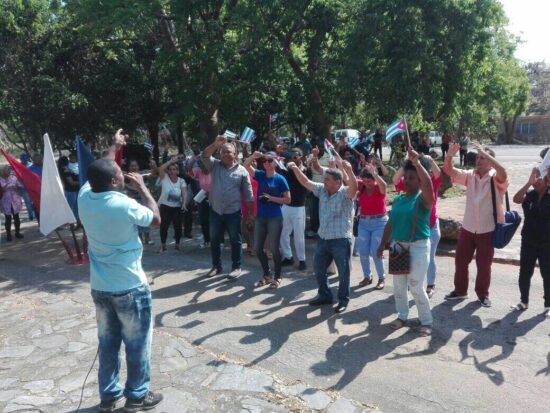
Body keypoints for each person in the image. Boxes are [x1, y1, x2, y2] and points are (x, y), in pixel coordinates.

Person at [78, 156, 162, 413]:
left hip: (101, 288)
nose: (124, 174)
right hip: (130, 288)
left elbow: (100, 167)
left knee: (108, 344)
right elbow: (155, 219)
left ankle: (108, 396)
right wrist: (143, 188)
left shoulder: (83, 198)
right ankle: (137, 396)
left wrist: (116, 145)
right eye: (120, 172)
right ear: (115, 180)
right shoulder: (123, 204)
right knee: (137, 344)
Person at [287, 157, 357, 313]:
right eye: (324, 179)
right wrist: (296, 169)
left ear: (338, 182)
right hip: (324, 239)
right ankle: (325, 295)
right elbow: (305, 182)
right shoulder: (322, 191)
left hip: (340, 240)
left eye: (327, 179)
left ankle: (343, 300)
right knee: (318, 269)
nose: (324, 181)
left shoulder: (345, 193)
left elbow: (354, 187)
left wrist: (350, 171)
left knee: (344, 273)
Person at [443, 142, 508, 307]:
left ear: (490, 161)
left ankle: (483, 294)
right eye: (478, 157)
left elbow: (504, 173)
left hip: (488, 229)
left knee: (484, 265)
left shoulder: (495, 177)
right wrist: (450, 155)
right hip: (468, 227)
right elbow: (449, 171)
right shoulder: (471, 175)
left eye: (482, 158)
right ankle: (460, 291)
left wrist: (487, 155)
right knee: (460, 261)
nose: (478, 160)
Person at [377, 155, 434, 336]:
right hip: (397, 247)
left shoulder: (423, 200)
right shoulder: (400, 199)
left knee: (416, 286)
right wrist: (382, 245)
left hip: (418, 247)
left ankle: (426, 320)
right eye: (406, 177)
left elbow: (428, 186)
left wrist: (417, 163)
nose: (407, 181)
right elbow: (390, 223)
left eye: (412, 178)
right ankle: (402, 316)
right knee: (399, 287)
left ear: (419, 180)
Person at [201, 136, 254, 279]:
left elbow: (248, 194)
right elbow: (204, 155)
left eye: (228, 152)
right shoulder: (215, 165)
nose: (225, 154)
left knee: (235, 240)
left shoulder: (242, 171)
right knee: (215, 239)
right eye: (223, 152)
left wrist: (250, 213)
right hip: (215, 211)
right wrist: (215, 143)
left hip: (234, 212)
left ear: (235, 155)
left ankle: (236, 268)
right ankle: (216, 266)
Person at [393, 151, 443, 298]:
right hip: (408, 234)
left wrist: (430, 160)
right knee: (406, 266)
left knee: (429, 259)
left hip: (429, 229)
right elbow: (395, 179)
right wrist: (407, 164)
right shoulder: (410, 182)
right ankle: (411, 288)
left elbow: (438, 173)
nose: (407, 180)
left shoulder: (431, 181)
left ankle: (429, 285)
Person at [244, 151, 291, 288]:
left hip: (275, 217)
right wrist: (253, 156)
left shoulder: (280, 179)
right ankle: (267, 275)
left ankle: (277, 276)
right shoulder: (260, 175)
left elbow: (288, 199)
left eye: (270, 160)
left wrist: (270, 198)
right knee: (258, 248)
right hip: (261, 217)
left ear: (275, 162)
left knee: (274, 248)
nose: (266, 163)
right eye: (264, 160)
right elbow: (245, 165)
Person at [511, 168, 550, 318]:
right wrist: (528, 183)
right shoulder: (530, 195)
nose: (535, 180)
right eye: (533, 177)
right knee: (525, 273)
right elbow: (516, 198)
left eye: (538, 178)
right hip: (528, 241)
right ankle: (524, 301)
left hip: (547, 243)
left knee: (547, 274)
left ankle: (548, 305)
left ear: (546, 181)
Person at [357, 163, 388, 290]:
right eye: (364, 181)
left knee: (376, 252)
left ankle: (381, 277)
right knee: (363, 252)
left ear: (374, 179)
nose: (366, 183)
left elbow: (385, 186)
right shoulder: (362, 186)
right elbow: (348, 179)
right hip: (363, 222)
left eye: (369, 181)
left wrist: (375, 174)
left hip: (379, 222)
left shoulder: (379, 187)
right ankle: (367, 276)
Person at [279, 149, 308, 270]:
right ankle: (288, 256)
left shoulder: (306, 170)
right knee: (282, 233)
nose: (294, 159)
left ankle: (302, 260)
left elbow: (305, 183)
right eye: (292, 157)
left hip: (298, 208)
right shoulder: (287, 170)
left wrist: (295, 168)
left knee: (299, 236)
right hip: (286, 206)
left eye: (297, 157)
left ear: (301, 157)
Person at [157, 156, 187, 253]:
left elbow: (184, 193)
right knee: (164, 226)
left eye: (174, 169)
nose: (172, 171)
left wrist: (184, 203)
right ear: (168, 171)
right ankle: (163, 245)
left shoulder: (181, 181)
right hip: (165, 206)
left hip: (177, 207)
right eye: (170, 169)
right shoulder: (164, 178)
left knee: (178, 227)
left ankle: (177, 245)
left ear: (178, 171)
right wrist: (170, 161)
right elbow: (160, 169)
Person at [126, 159, 153, 245]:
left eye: (135, 165)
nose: (133, 167)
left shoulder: (143, 174)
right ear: (129, 167)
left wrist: (154, 165)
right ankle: (139, 239)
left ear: (138, 166)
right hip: (133, 201)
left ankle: (148, 239)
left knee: (146, 218)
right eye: (132, 166)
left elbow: (153, 172)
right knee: (136, 221)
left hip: (143, 200)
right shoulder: (126, 176)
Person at [0, 165, 24, 241]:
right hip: (5, 200)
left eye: (9, 170)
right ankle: (8, 234)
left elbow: (19, 186)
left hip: (15, 199)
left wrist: (18, 186)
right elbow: (3, 188)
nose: (9, 171)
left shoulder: (14, 178)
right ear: (2, 171)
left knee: (16, 217)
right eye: (7, 170)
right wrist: (9, 185)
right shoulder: (0, 179)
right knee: (8, 218)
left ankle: (17, 232)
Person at [58, 156, 80, 223]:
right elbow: (71, 182)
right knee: (72, 208)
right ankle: (73, 223)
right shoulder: (65, 170)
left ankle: (76, 222)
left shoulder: (63, 170)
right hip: (71, 190)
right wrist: (81, 181)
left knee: (74, 208)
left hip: (71, 190)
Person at [19, 153, 35, 221]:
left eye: (25, 159)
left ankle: (35, 214)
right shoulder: (18, 166)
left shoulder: (31, 165)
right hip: (23, 187)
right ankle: (31, 215)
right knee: (27, 202)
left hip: (32, 187)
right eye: (23, 160)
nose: (24, 161)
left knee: (34, 201)